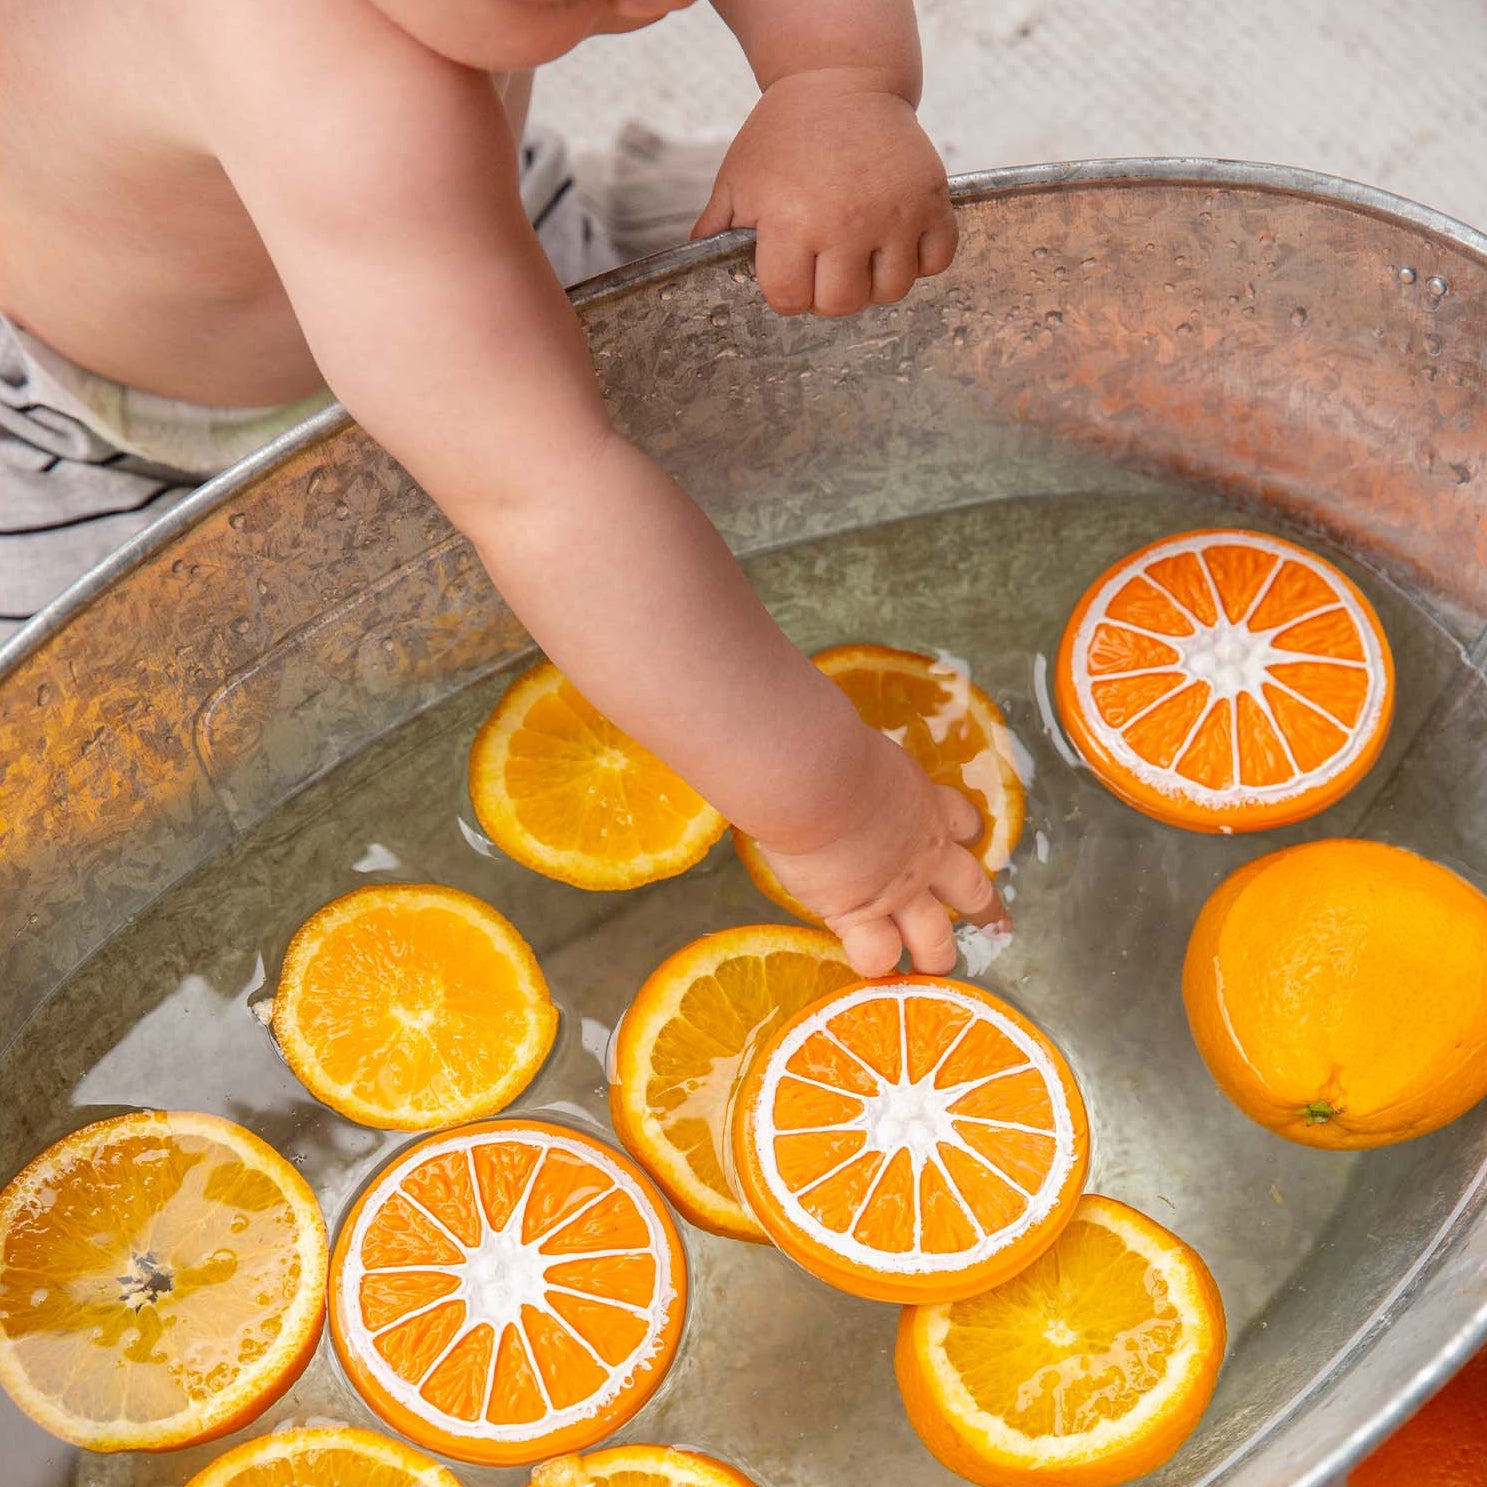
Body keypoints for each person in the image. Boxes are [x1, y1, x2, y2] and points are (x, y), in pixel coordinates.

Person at [0, 0, 1003, 976]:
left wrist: (835, 79)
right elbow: (545, 500)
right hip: (104, 435)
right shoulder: (321, 84)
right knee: (89, 785)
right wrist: (830, 803)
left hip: (444, 225)